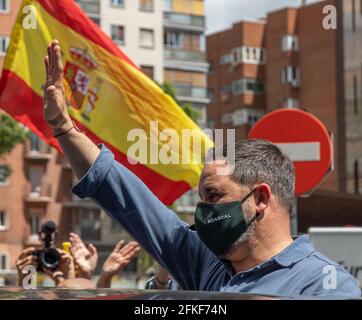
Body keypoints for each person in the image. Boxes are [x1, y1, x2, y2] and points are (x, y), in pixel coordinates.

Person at [43, 39, 361, 298]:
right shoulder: (204, 262)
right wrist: (64, 128)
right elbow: (121, 192)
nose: (202, 211)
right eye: (202, 198)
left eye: (214, 195)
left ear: (261, 198)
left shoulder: (323, 285)